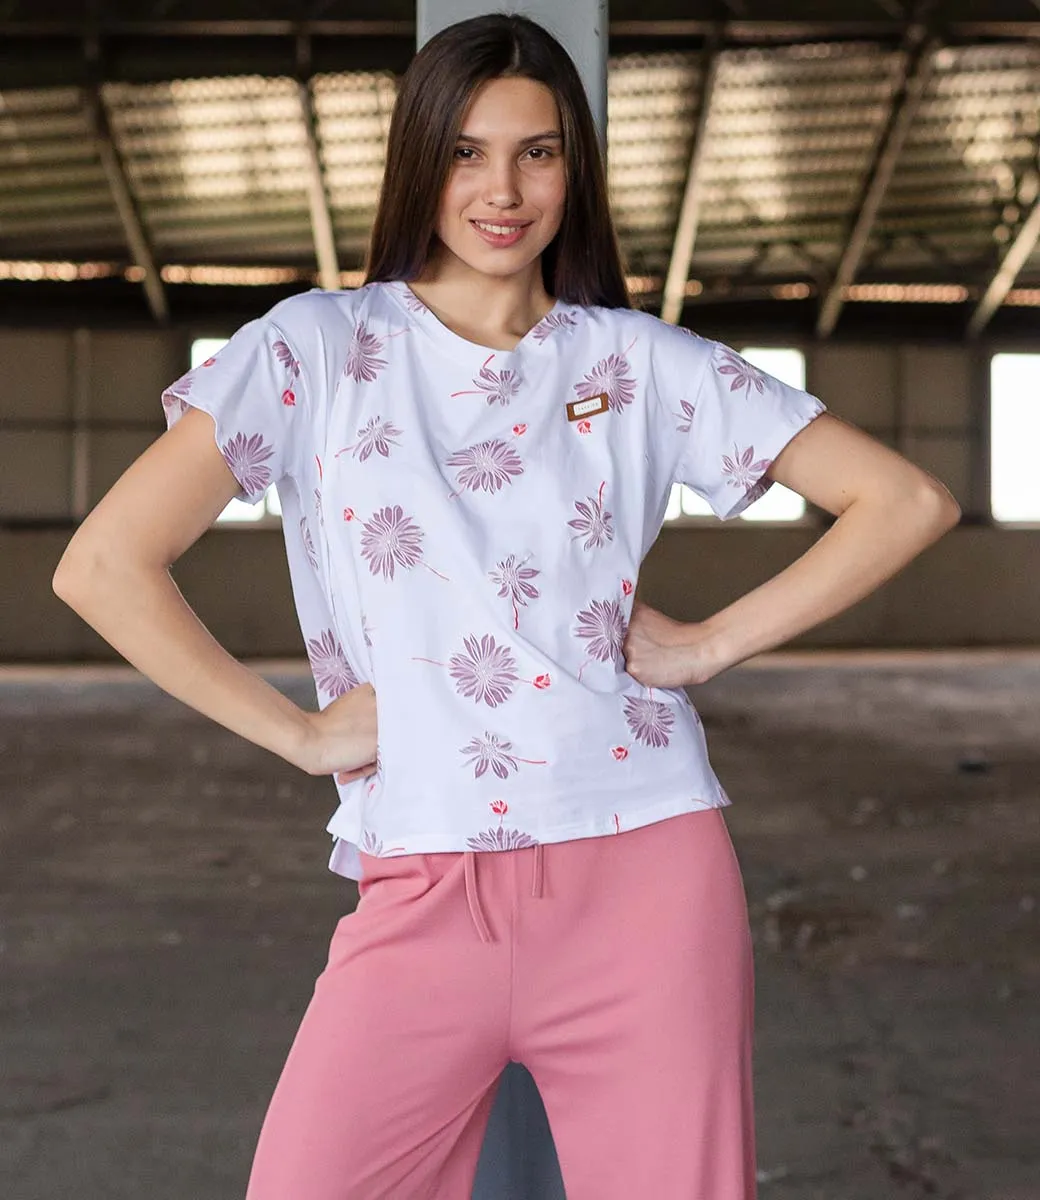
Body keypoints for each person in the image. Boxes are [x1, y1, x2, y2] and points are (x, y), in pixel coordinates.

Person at [52, 13, 961, 1200]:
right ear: (418, 163)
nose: (502, 190)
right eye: (465, 153)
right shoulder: (313, 349)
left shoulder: (637, 362)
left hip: (644, 879)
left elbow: (904, 500)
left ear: (572, 170)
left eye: (537, 153)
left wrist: (708, 645)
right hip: (420, 880)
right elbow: (104, 564)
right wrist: (300, 733)